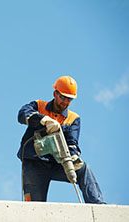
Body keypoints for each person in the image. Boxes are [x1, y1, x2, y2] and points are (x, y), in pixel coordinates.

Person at [17, 75, 105, 204]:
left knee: (83, 169)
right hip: (34, 164)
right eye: (62, 97)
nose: (65, 102)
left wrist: (72, 157)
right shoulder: (39, 106)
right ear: (55, 93)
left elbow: (72, 144)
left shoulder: (73, 119)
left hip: (58, 164)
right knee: (35, 208)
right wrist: (42, 119)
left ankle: (98, 205)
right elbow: (22, 114)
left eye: (69, 99)